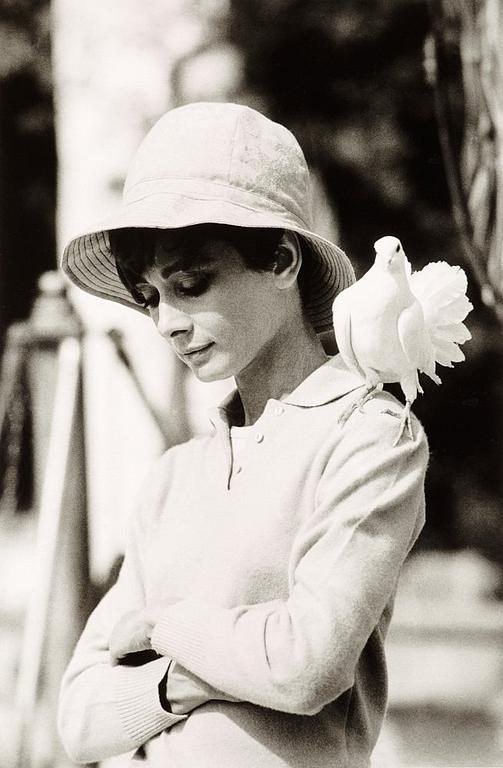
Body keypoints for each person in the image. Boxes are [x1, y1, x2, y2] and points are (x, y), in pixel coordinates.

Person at [58, 102, 428, 767]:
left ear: (282, 260)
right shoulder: (173, 475)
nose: (166, 322)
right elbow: (80, 717)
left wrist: (159, 625)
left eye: (190, 284)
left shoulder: (370, 436)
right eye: (148, 297)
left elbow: (307, 665)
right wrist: (186, 677)